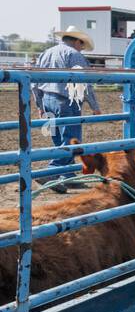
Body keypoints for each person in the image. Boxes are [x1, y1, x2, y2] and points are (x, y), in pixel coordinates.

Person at [33, 27, 102, 193]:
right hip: (66, 101)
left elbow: (34, 80)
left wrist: (39, 104)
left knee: (58, 139)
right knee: (72, 140)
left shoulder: (46, 53)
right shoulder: (74, 55)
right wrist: (95, 106)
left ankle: (67, 175)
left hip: (47, 99)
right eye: (82, 45)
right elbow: (84, 82)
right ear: (77, 41)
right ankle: (50, 172)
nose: (82, 48)